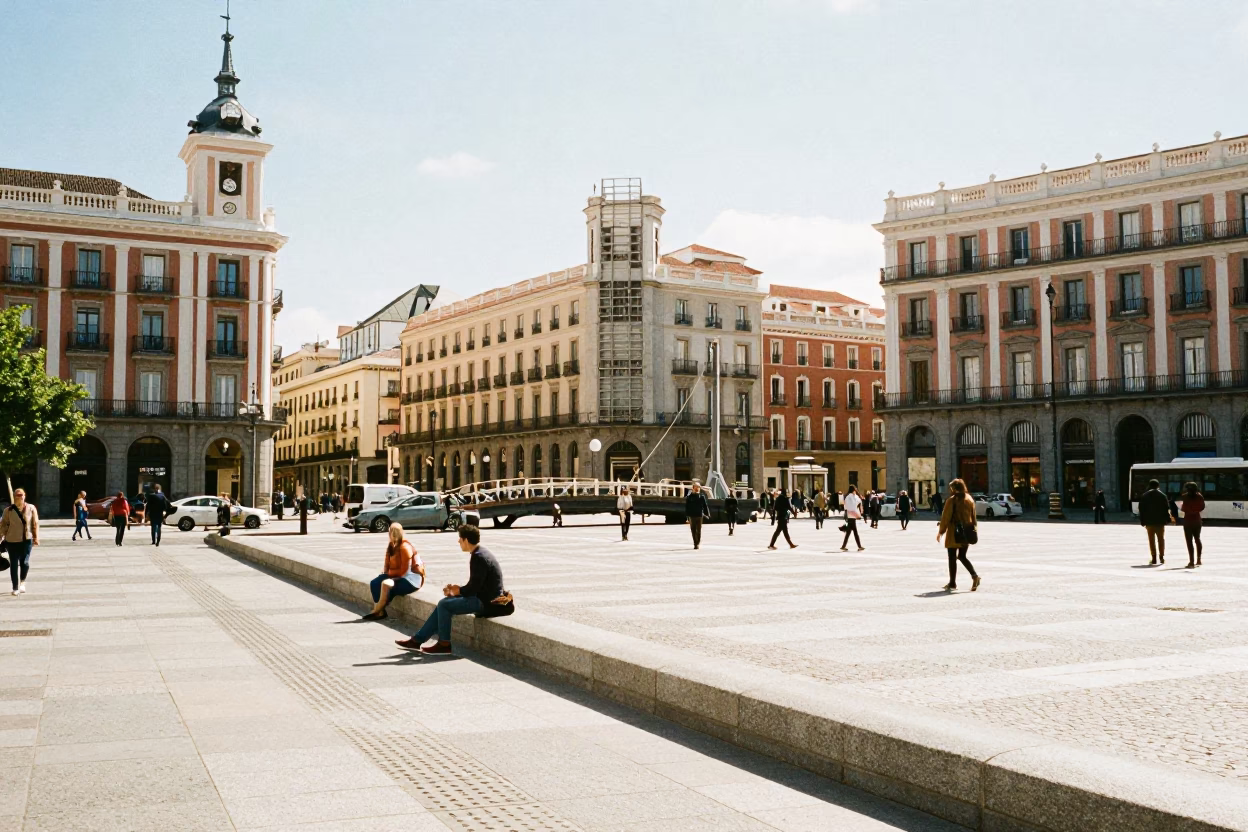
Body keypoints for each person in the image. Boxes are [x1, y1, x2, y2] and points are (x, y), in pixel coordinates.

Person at [396, 524, 511, 655]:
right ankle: (417, 641)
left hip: (487, 602)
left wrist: (457, 592)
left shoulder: (478, 557)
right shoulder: (481, 553)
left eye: (460, 538)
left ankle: (444, 644)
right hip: (485, 598)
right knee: (445, 602)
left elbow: (473, 588)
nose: (458, 541)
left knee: (444, 605)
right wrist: (456, 591)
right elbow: (476, 585)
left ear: (466, 540)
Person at [362, 523, 425, 620]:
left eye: (395, 532)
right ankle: (380, 611)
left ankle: (377, 611)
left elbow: (403, 572)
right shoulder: (391, 545)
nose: (392, 534)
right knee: (374, 583)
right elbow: (387, 564)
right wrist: (386, 573)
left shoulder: (405, 547)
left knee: (388, 589)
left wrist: (389, 574)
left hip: (411, 580)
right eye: (391, 532)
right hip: (397, 575)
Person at [937, 478, 980, 592]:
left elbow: (946, 517)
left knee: (952, 557)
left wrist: (941, 531)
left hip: (954, 532)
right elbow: (974, 516)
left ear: (955, 488)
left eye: (951, 488)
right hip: (967, 531)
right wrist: (974, 529)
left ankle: (952, 583)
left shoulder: (952, 500)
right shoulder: (969, 499)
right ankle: (974, 576)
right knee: (962, 556)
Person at [2, 488, 39, 596]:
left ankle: (22, 582)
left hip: (26, 540)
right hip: (11, 541)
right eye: (18, 495)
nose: (20, 497)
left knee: (25, 563)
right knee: (14, 563)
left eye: (22, 495)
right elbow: (3, 525)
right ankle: (15, 587)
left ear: (25, 496)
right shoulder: (8, 510)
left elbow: (35, 523)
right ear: (14, 497)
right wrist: (0, 536)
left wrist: (36, 537)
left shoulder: (31, 508)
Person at [1137, 479, 1170, 565]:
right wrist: (1167, 519)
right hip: (1160, 522)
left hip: (1149, 522)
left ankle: (1154, 557)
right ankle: (1162, 557)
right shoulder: (1163, 495)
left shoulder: (1145, 495)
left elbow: (1141, 509)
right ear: (1158, 485)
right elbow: (1166, 508)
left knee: (1151, 540)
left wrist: (1142, 521)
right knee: (1161, 540)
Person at [1179, 481, 1205, 568]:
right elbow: (1202, 507)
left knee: (1189, 541)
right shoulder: (1199, 496)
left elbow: (1183, 508)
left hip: (1188, 520)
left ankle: (1191, 561)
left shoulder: (1185, 497)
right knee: (1197, 539)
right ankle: (1199, 559)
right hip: (1197, 520)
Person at [685, 482, 710, 549]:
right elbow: (687, 507)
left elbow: (705, 506)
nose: (697, 489)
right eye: (696, 487)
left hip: (699, 515)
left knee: (698, 530)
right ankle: (695, 543)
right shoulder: (689, 497)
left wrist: (707, 514)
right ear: (693, 488)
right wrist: (687, 517)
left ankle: (697, 542)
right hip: (692, 515)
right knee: (693, 530)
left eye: (698, 487)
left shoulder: (701, 497)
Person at [840, 484, 864, 551]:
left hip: (851, 515)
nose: (856, 491)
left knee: (849, 532)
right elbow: (852, 505)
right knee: (855, 532)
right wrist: (857, 514)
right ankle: (859, 546)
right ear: (853, 490)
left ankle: (843, 546)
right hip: (852, 515)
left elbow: (847, 506)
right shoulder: (851, 497)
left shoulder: (850, 497)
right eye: (855, 489)